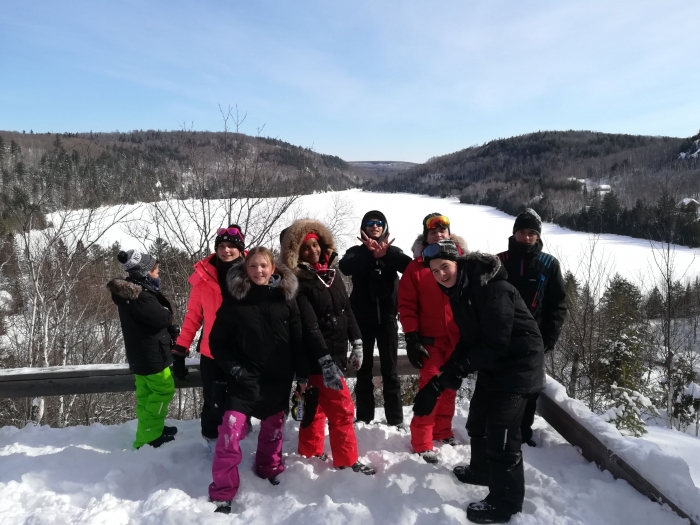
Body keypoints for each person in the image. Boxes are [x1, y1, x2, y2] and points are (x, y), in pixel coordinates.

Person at [413, 240, 545, 524]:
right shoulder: (461, 292)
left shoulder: (493, 289)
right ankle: (482, 471)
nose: (440, 275)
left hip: (519, 368)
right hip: (496, 366)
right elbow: (469, 343)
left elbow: (495, 343)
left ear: (458, 263)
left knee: (502, 434)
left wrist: (448, 377)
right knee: (478, 422)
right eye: (434, 271)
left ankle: (505, 503)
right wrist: (439, 384)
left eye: (444, 267)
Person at [207, 247, 309, 514]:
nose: (259, 271)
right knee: (229, 433)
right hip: (244, 379)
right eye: (253, 266)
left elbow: (299, 339)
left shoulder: (285, 298)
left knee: (273, 430)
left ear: (273, 268)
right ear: (245, 269)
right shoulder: (235, 301)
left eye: (263, 266)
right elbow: (217, 342)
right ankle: (223, 490)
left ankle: (269, 467)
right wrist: (234, 369)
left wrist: (302, 374)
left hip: (278, 377)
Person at [281, 219, 375, 475]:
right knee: (343, 410)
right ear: (296, 253)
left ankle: (309, 452)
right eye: (305, 248)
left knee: (318, 407)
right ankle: (346, 460)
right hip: (318, 358)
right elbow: (310, 327)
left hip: (334, 355)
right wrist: (325, 362)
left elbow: (347, 310)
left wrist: (357, 341)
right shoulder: (298, 283)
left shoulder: (331, 276)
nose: (312, 251)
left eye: (315, 245)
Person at [397, 213, 466, 463]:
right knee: (429, 391)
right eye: (432, 231)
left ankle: (443, 431)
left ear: (449, 234)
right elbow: (406, 305)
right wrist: (412, 337)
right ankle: (422, 440)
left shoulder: (462, 262)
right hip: (430, 342)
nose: (438, 234)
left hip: (457, 340)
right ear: (425, 237)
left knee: (449, 388)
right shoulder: (416, 267)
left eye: (442, 230)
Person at [496, 209, 567, 447]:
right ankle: (496, 429)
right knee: (498, 384)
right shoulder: (499, 261)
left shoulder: (549, 264)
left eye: (532, 233)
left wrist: (548, 339)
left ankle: (523, 433)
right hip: (501, 337)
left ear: (538, 236)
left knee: (528, 390)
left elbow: (557, 305)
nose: (526, 238)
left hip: (533, 340)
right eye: (522, 232)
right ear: (514, 233)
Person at [172, 225, 246, 444]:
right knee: (214, 402)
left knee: (240, 402)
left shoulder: (253, 271)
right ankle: (211, 443)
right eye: (221, 246)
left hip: (244, 351)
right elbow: (193, 316)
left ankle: (239, 442)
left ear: (241, 248)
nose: (226, 250)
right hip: (212, 352)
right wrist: (180, 350)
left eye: (232, 246)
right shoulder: (203, 277)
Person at [339, 211, 411, 428]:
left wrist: (384, 255)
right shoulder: (355, 252)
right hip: (362, 320)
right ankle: (364, 418)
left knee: (390, 372)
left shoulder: (393, 252)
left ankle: (396, 419)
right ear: (363, 227)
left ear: (384, 227)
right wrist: (371, 254)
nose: (374, 226)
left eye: (379, 222)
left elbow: (407, 266)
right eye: (369, 223)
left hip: (388, 319)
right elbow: (345, 267)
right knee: (364, 371)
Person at [107, 249, 178, 449]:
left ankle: (153, 428)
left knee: (146, 395)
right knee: (163, 392)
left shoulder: (128, 295)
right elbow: (163, 318)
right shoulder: (142, 297)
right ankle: (148, 436)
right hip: (153, 355)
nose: (158, 274)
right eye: (156, 271)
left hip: (140, 356)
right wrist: (166, 312)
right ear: (145, 273)